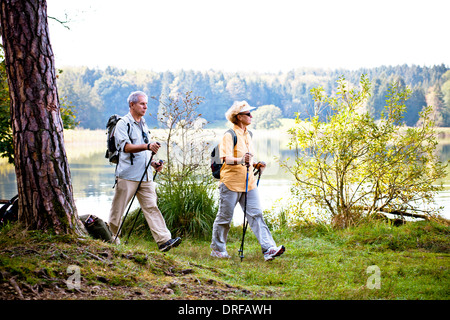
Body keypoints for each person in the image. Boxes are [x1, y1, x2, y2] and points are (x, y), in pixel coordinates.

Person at [210, 101, 285, 261]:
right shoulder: (229, 135)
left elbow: (247, 158)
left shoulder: (248, 135)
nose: (251, 116)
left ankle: (268, 249)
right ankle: (217, 249)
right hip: (230, 183)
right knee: (225, 218)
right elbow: (225, 158)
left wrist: (256, 164)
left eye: (251, 113)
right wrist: (240, 160)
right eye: (248, 114)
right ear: (238, 117)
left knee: (256, 215)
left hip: (248, 182)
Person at [108, 91, 181, 252]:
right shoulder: (123, 123)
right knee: (118, 210)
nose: (145, 106)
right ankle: (110, 240)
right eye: (142, 103)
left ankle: (164, 241)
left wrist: (154, 163)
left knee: (151, 207)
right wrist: (148, 147)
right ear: (132, 105)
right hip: (127, 175)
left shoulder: (143, 124)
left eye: (146, 104)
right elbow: (125, 147)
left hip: (146, 175)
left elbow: (144, 150)